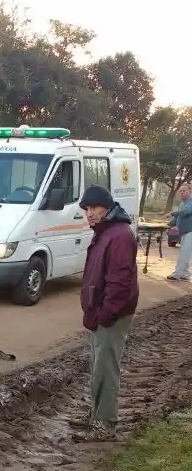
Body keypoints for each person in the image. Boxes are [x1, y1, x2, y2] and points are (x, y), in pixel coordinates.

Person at [74, 185, 138, 442]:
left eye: (93, 208)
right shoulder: (105, 232)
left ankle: (104, 425)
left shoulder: (120, 235)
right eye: (86, 209)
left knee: (106, 368)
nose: (89, 214)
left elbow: (119, 283)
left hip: (113, 314)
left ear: (107, 208)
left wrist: (105, 313)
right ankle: (96, 415)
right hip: (101, 311)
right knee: (98, 366)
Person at [167, 183, 192, 281]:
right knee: (186, 253)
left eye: (184, 190)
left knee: (184, 253)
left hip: (190, 231)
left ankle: (176, 274)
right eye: (180, 191)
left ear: (189, 191)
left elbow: (186, 212)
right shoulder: (182, 203)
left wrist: (172, 213)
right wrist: (167, 225)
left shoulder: (191, 202)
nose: (181, 192)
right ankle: (185, 274)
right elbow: (177, 218)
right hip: (184, 233)